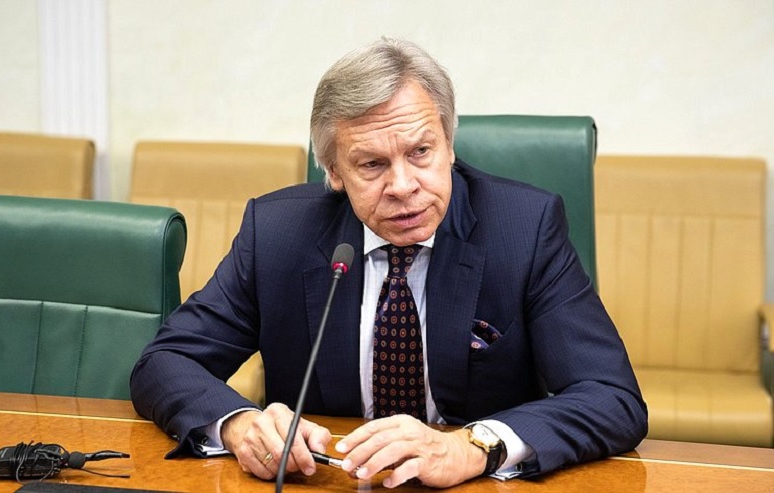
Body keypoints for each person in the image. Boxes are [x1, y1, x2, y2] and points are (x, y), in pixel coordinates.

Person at [130, 37, 647, 488]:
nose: (402, 186)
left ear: (449, 145)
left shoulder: (524, 229)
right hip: (326, 484)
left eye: (421, 152)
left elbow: (612, 398)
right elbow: (165, 362)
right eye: (373, 164)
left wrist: (472, 446)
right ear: (334, 172)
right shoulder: (277, 235)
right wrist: (240, 424)